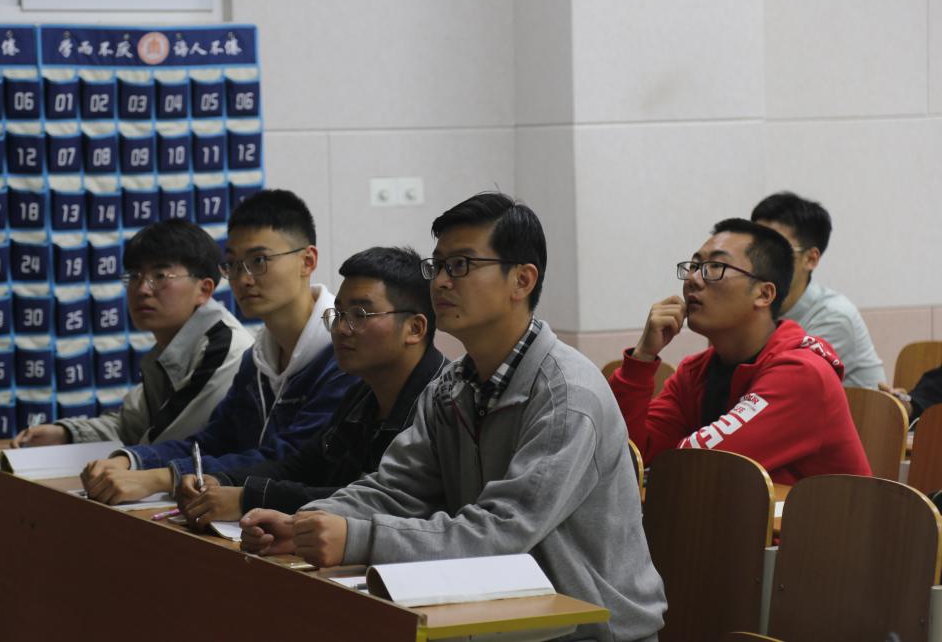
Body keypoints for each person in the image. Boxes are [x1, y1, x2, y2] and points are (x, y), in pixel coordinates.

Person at [237, 193, 666, 642]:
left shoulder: (567, 396)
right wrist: (306, 522)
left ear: (521, 280)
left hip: (589, 632)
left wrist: (356, 537)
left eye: (460, 265)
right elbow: (396, 489)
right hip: (497, 615)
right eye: (437, 265)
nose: (440, 282)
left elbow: (501, 531)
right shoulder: (452, 386)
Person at [80, 189, 358, 504]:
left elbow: (290, 459)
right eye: (233, 264)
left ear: (307, 261)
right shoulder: (257, 357)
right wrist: (131, 460)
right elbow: (215, 440)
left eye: (259, 261)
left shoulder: (344, 351)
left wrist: (161, 477)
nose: (243, 278)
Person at [175, 246, 448, 527]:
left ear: (415, 329)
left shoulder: (443, 403)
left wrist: (248, 498)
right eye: (338, 313)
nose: (340, 329)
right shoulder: (361, 393)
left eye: (360, 314)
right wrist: (222, 481)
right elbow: (303, 465)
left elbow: (375, 500)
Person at [609, 218, 871, 485]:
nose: (693, 279)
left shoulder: (802, 374)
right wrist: (642, 357)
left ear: (764, 294)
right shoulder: (695, 372)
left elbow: (693, 466)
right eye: (695, 266)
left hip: (827, 514)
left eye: (715, 267)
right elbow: (623, 455)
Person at [10, 220, 254, 448]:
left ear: (204, 289)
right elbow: (130, 426)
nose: (142, 289)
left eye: (160, 276)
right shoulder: (170, 348)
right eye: (135, 276)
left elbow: (170, 444)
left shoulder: (225, 348)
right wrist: (66, 434)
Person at [751, 191, 886, 388]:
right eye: (754, 247)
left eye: (774, 249)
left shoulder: (834, 317)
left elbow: (782, 386)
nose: (758, 260)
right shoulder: (757, 305)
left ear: (810, 259)